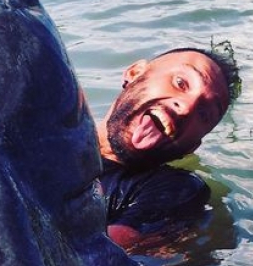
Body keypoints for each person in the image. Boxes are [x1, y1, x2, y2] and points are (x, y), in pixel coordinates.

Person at [96, 45, 240, 249]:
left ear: (191, 147)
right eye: (180, 83)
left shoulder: (178, 191)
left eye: (204, 114)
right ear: (135, 73)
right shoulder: (46, 133)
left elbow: (97, 255)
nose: (187, 107)